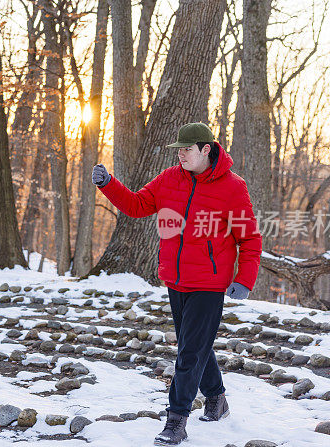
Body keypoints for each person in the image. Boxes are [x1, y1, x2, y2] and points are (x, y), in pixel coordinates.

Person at [92, 122, 262, 446]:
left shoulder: (232, 187)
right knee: (196, 346)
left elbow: (250, 238)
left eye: (187, 149)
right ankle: (217, 399)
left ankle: (176, 421)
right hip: (176, 279)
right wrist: (108, 184)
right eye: (179, 149)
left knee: (188, 353)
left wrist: (244, 280)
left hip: (210, 284)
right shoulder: (170, 178)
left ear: (205, 150)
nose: (181, 154)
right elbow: (137, 205)